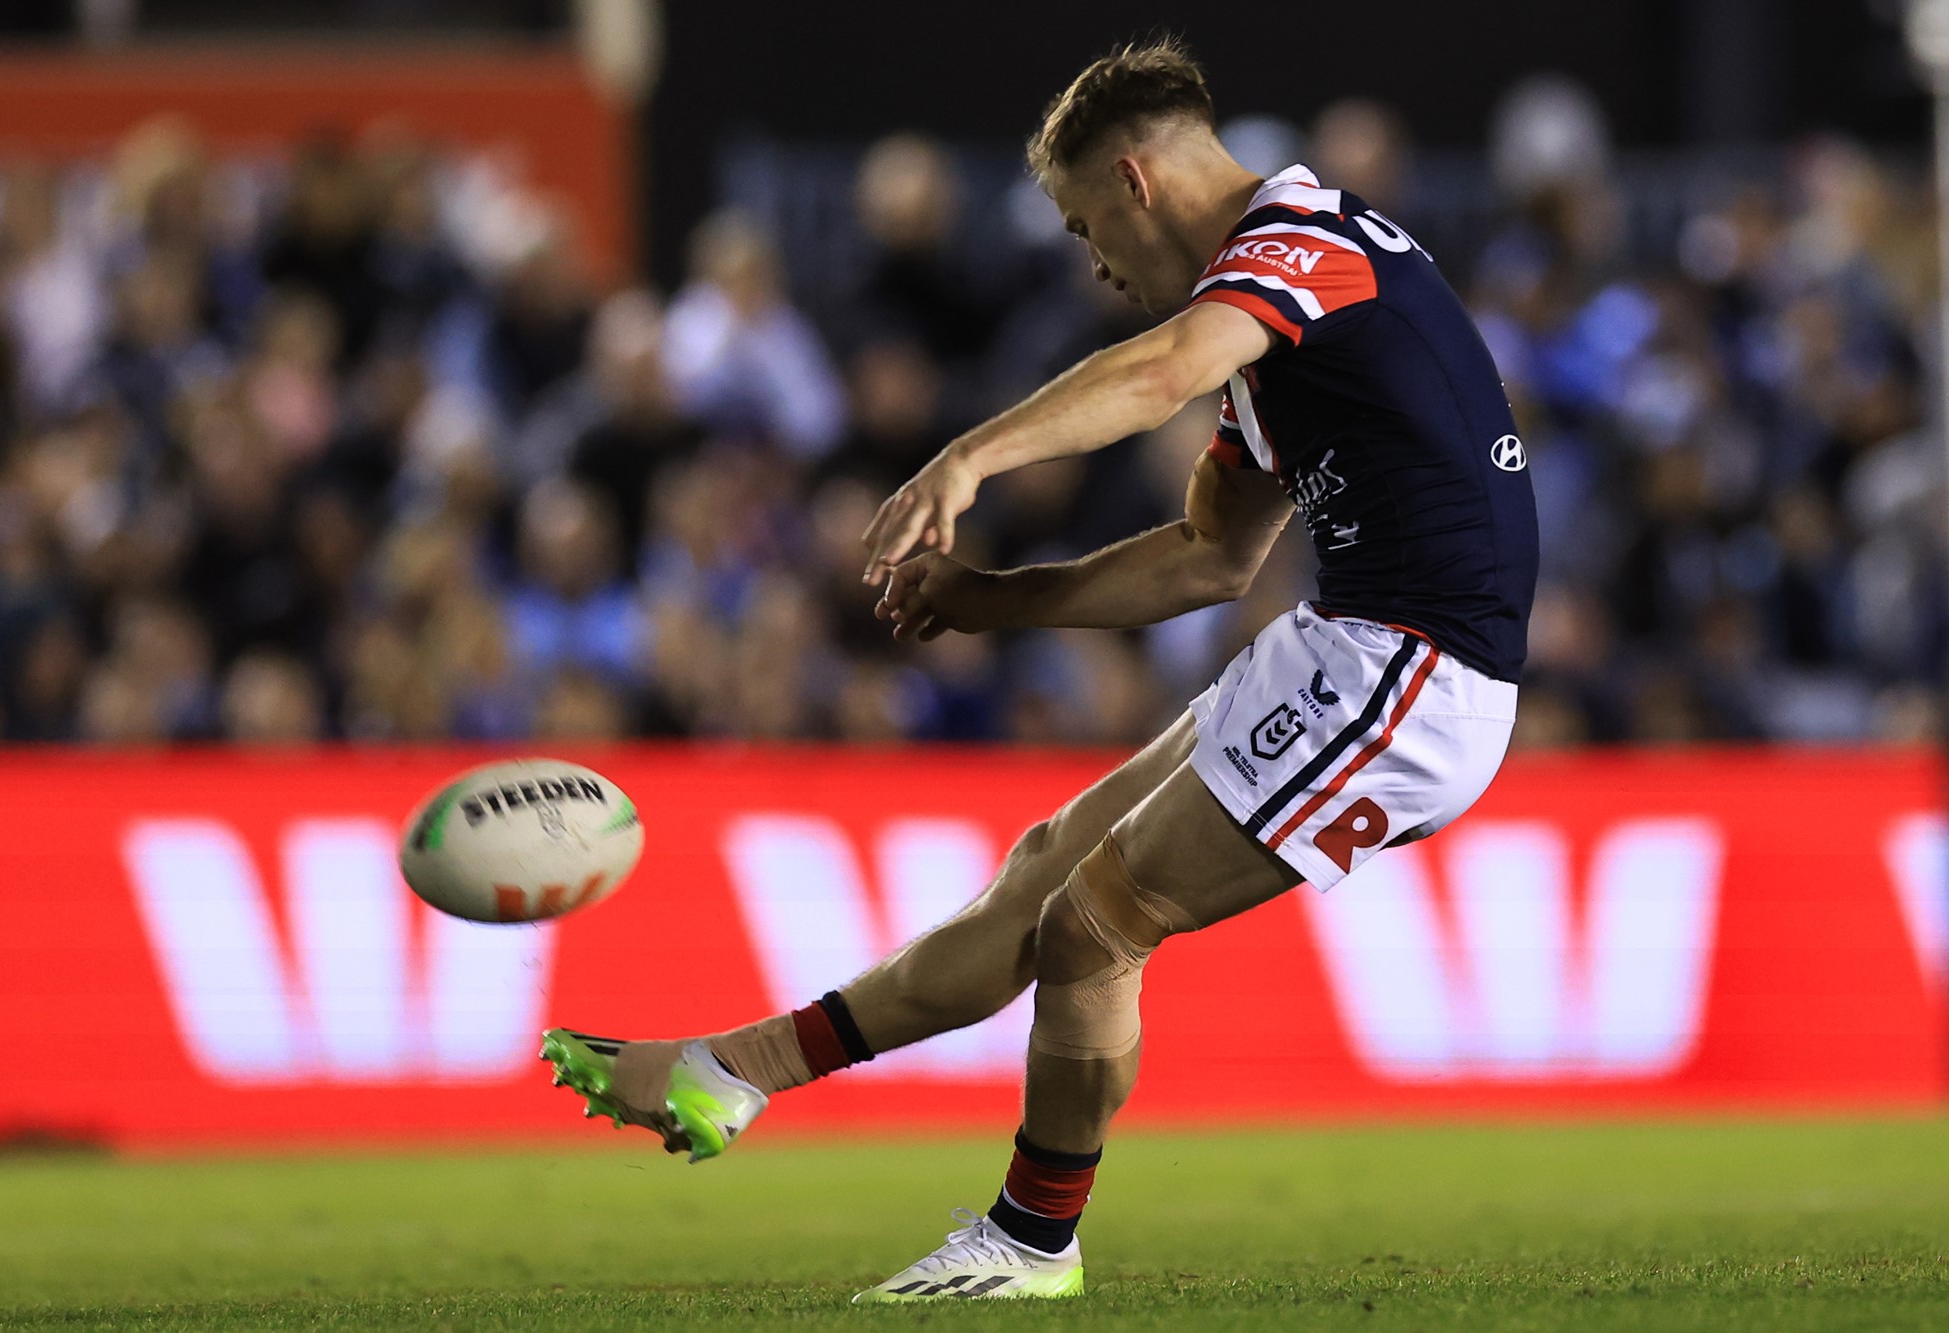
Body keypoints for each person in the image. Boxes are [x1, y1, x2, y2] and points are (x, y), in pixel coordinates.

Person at [541, 38, 1538, 1302]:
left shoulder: (1301, 243)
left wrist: (969, 459)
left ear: (1133, 180)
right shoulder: (1277, 330)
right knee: (1038, 880)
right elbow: (1205, 559)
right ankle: (733, 1071)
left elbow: (1163, 370)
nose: (1096, 266)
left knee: (1093, 930)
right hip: (1341, 646)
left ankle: (1030, 1241)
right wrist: (991, 600)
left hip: (1414, 674)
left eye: (1082, 229)